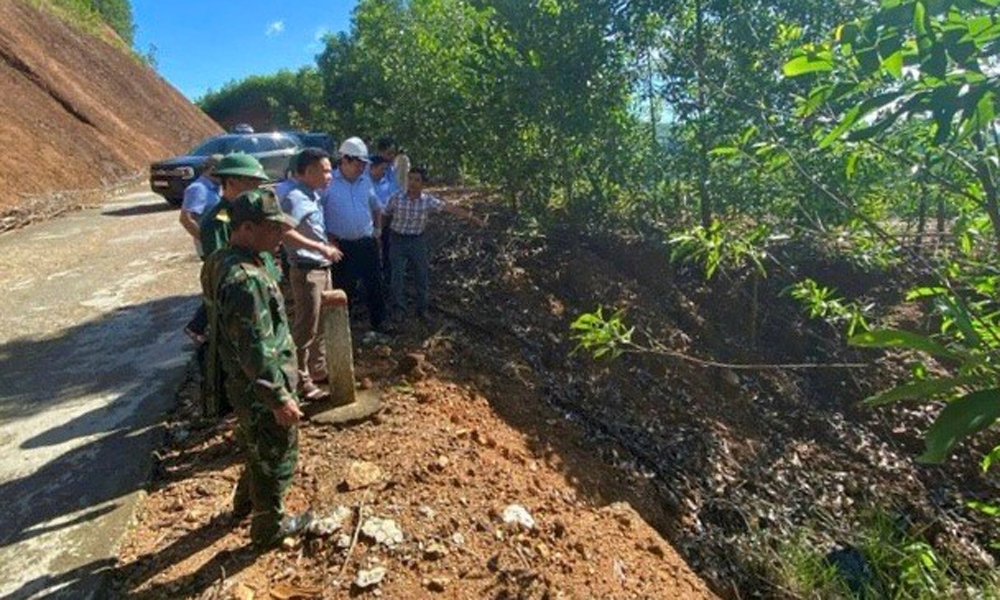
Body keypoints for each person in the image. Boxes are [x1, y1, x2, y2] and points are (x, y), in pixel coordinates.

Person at [201, 189, 310, 548]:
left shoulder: (219, 260)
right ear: (246, 228)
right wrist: (279, 398)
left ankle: (245, 503)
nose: (281, 236)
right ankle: (269, 527)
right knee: (277, 456)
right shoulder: (246, 280)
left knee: (255, 446)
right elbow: (255, 348)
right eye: (273, 229)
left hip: (245, 384)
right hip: (261, 386)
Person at [199, 153, 273, 418]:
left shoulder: (250, 211)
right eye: (251, 181)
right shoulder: (220, 219)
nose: (257, 187)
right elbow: (223, 266)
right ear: (231, 182)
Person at [279, 147, 343, 401]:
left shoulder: (312, 196)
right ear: (308, 171)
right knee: (306, 328)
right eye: (325, 170)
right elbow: (284, 231)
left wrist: (325, 244)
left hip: (321, 268)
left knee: (321, 325)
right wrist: (319, 247)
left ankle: (317, 371)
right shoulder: (295, 198)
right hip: (307, 271)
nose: (330, 175)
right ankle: (300, 382)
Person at [384, 166, 483, 322]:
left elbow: (448, 207)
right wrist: (378, 233)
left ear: (423, 183)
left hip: (417, 241)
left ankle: (422, 309)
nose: (413, 183)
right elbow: (385, 214)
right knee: (397, 276)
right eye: (410, 179)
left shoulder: (427, 201)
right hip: (398, 240)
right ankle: (399, 309)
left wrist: (471, 217)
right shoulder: (396, 198)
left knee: (421, 275)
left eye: (417, 180)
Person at [322, 137, 389, 332]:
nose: (361, 168)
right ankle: (343, 329)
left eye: (363, 164)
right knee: (344, 287)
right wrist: (328, 240)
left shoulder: (365, 181)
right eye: (358, 163)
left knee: (375, 284)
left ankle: (379, 323)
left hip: (366, 242)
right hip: (341, 245)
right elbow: (319, 214)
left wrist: (377, 230)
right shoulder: (328, 183)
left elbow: (376, 207)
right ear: (345, 160)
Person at [178, 154, 223, 343]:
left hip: (220, 243)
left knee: (220, 286)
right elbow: (186, 219)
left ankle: (209, 326)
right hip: (210, 247)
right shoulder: (198, 189)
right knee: (217, 286)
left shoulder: (215, 188)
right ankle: (196, 326)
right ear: (212, 170)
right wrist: (206, 240)